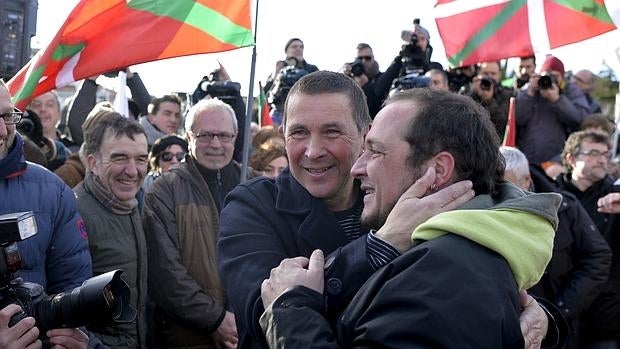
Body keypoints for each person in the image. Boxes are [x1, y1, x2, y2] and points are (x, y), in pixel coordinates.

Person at [218, 71, 552, 349]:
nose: (313, 150)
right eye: (299, 133)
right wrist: (382, 244)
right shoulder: (253, 205)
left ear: (365, 134)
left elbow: (474, 289)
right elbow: (263, 313)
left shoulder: (406, 196)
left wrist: (546, 321)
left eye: (332, 132)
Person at [142, 98, 251, 348]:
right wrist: (215, 320)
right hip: (187, 336)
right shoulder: (165, 190)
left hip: (251, 330)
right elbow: (165, 272)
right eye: (205, 135)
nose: (215, 144)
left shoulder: (254, 184)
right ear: (188, 136)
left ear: (235, 137)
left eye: (224, 135)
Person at [0, 80, 93, 348]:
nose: (2, 129)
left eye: (7, 115)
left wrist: (69, 335)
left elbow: (73, 287)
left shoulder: (52, 190)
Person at [501, 146, 612, 349]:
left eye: (507, 186)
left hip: (560, 332)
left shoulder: (565, 208)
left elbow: (597, 257)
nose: (500, 195)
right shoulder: (482, 208)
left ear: (526, 180)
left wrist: (561, 309)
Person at [75, 112, 149, 348]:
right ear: (93, 163)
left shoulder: (135, 204)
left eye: (141, 159)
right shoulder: (73, 213)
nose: (132, 170)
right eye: (119, 158)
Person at [555, 130, 620, 348]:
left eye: (606, 154)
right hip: (559, 308)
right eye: (593, 153)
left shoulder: (615, 197)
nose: (602, 159)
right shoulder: (550, 196)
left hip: (604, 315)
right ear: (571, 158)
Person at [515, 55, 590, 166]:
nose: (550, 80)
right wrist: (529, 94)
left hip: (557, 160)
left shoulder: (571, 91)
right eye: (547, 76)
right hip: (527, 158)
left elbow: (580, 120)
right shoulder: (531, 89)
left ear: (562, 77)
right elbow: (517, 119)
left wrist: (557, 100)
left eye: (555, 76)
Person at [469, 61, 513, 139]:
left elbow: (503, 123)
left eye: (493, 74)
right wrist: (472, 93)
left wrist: (489, 101)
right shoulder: (468, 90)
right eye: (485, 73)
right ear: (479, 73)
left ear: (499, 74)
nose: (489, 77)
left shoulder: (507, 94)